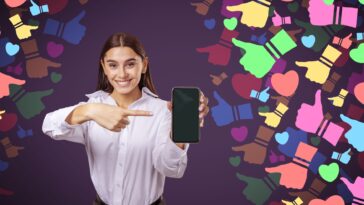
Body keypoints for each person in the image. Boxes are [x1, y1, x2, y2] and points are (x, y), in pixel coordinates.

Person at [42, 32, 209, 205]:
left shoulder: (162, 111)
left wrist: (179, 132)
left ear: (144, 65)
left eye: (130, 64)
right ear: (104, 67)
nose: (122, 74)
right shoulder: (93, 107)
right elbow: (49, 126)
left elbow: (170, 169)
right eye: (113, 65)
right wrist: (90, 110)